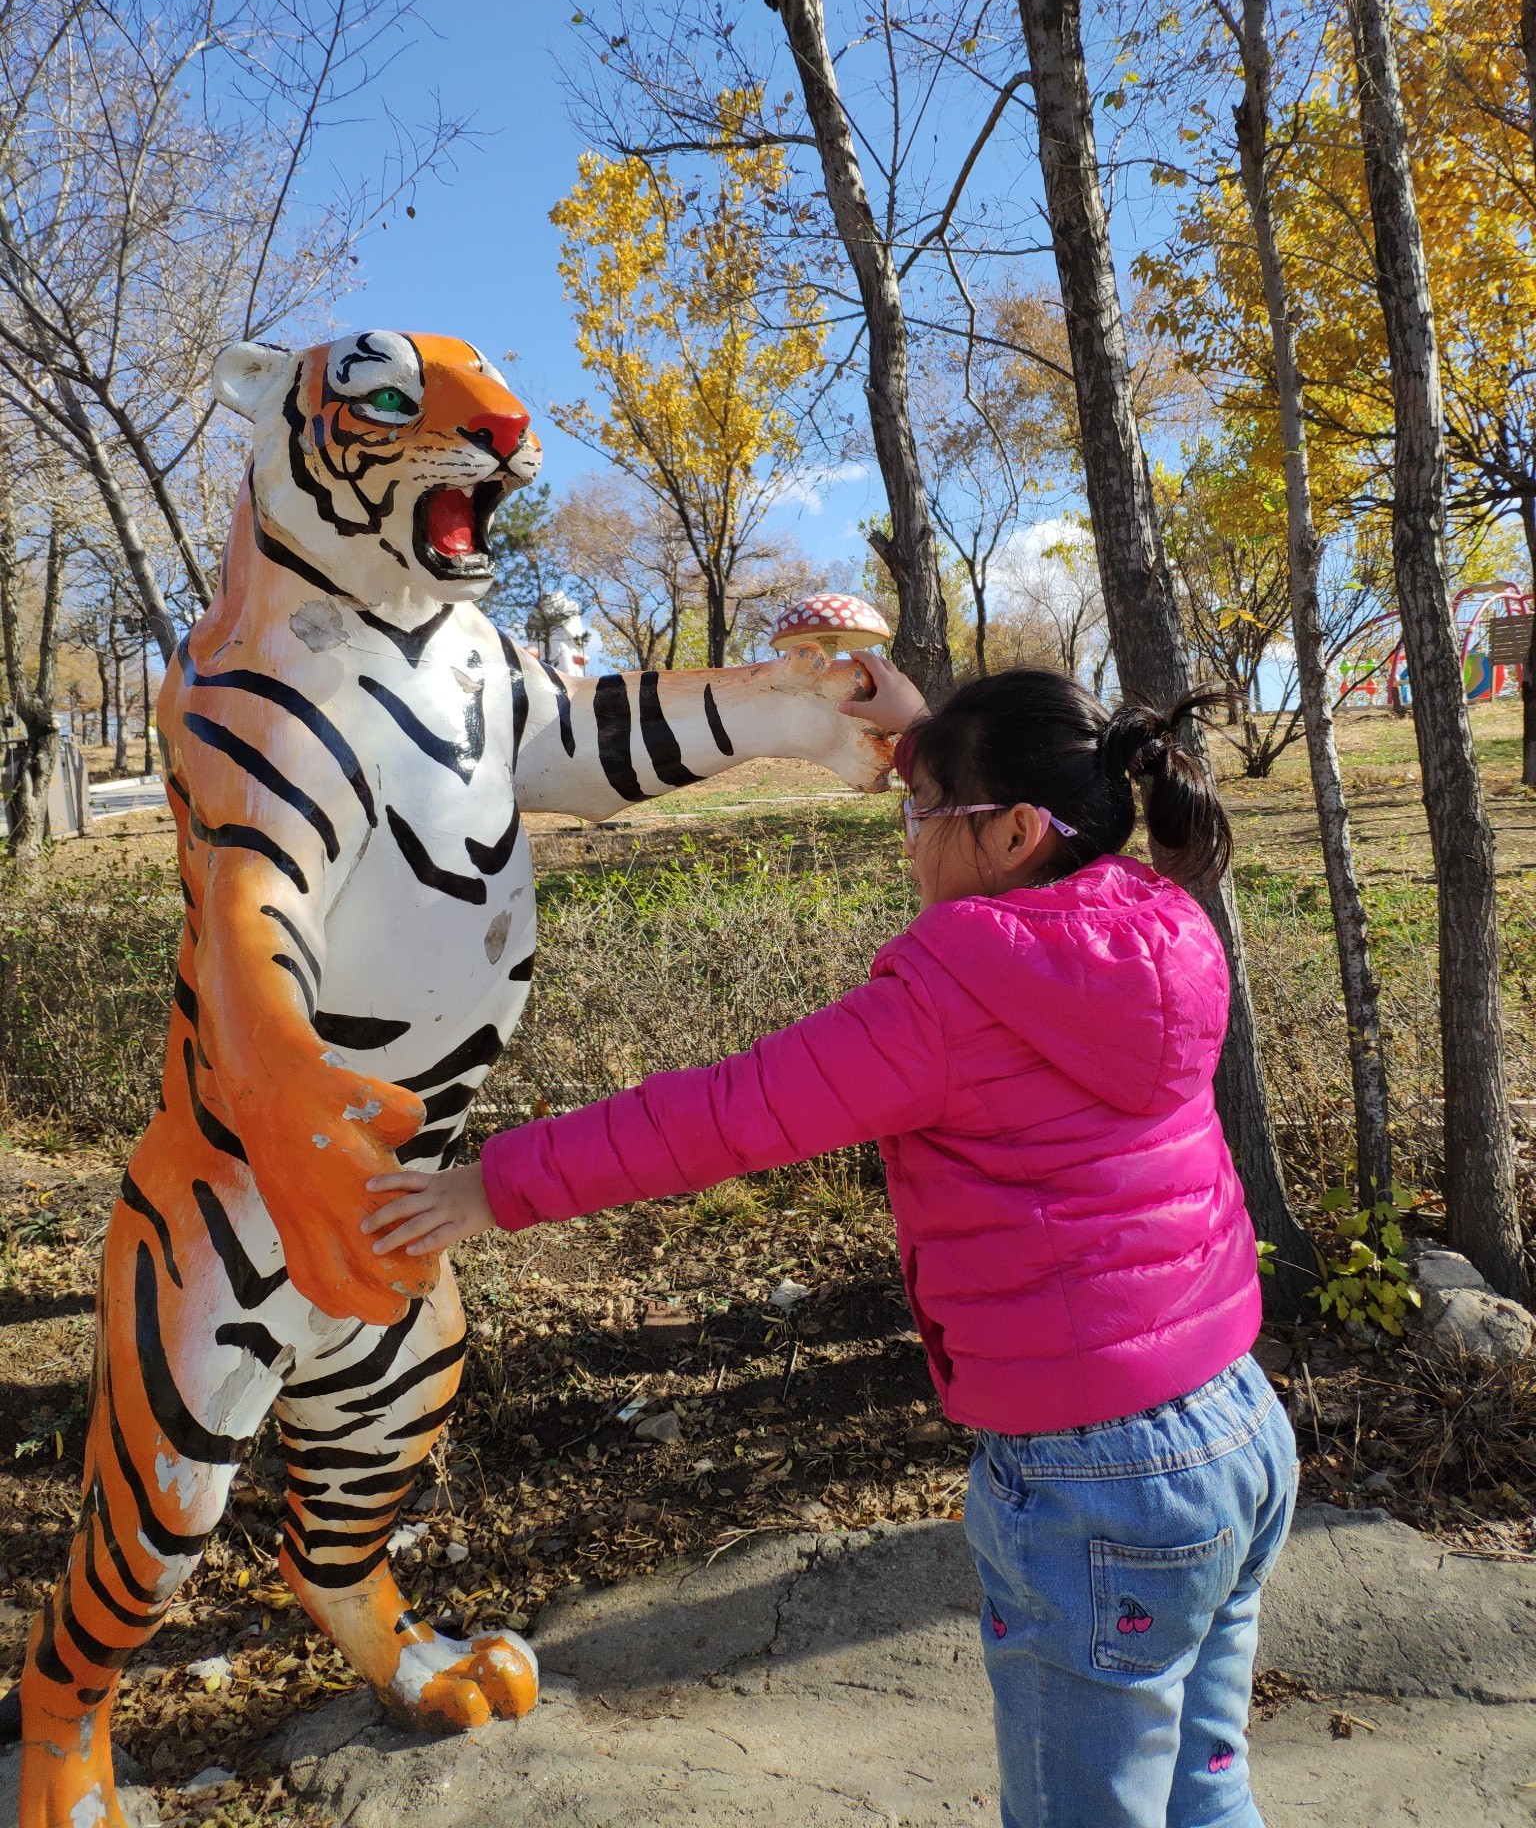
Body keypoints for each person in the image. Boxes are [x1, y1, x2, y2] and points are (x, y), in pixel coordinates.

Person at [363, 656, 1298, 1828]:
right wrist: (924, 739)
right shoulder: (1167, 929)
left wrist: (491, 1186)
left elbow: (719, 1115)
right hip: (1239, 1429)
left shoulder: (951, 998)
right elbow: (1017, 796)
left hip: (1095, 1483)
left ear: (1013, 830)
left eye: (921, 810)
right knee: (1206, 1795)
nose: (907, 838)